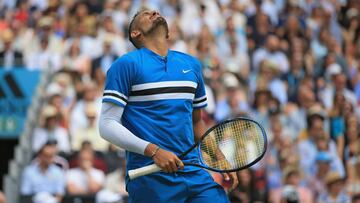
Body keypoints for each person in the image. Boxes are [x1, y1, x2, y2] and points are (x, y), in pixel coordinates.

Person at [99, 9, 237, 203]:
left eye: (155, 12)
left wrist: (220, 159)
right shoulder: (125, 65)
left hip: (194, 171)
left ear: (168, 33)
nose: (154, 12)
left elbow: (196, 123)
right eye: (145, 14)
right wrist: (154, 151)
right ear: (135, 33)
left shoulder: (192, 65)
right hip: (150, 176)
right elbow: (106, 125)